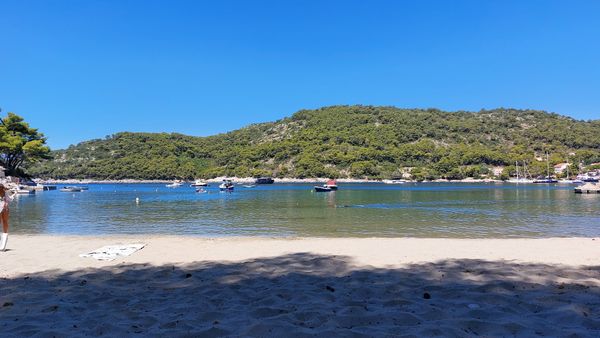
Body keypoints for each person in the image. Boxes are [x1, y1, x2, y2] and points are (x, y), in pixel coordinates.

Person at [0, 184, 15, 251]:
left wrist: (10, 192)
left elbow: (10, 198)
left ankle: (3, 243)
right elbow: (10, 199)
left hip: (4, 209)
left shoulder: (5, 193)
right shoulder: (4, 192)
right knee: (3, 222)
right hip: (4, 208)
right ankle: (2, 244)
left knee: (4, 222)